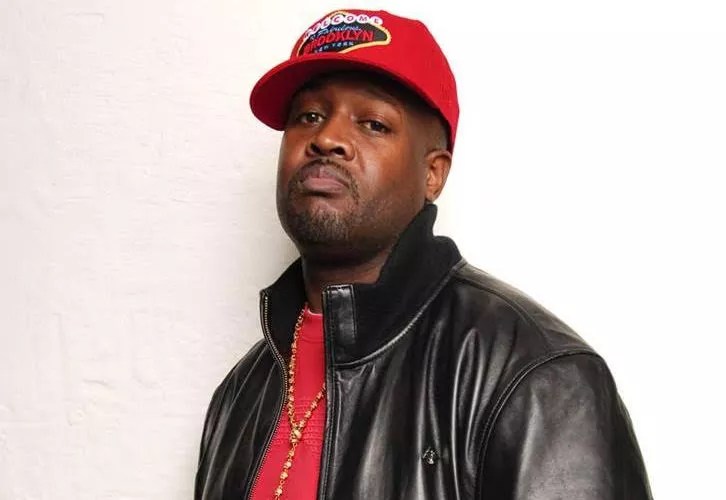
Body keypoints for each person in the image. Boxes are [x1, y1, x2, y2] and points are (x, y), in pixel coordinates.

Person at [195, 8, 652, 500]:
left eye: (373, 123)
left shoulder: (537, 376)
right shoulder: (240, 395)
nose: (326, 139)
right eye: (308, 116)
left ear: (433, 174)